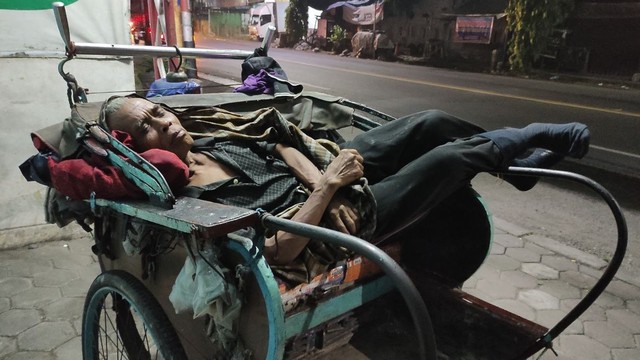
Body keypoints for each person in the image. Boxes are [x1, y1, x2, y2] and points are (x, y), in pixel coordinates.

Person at [93, 96, 589, 272]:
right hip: (331, 227)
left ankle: (516, 171)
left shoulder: (213, 141)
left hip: (325, 178)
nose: (163, 124)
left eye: (158, 112)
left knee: (431, 123)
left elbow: (277, 144)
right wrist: (326, 191)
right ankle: (524, 140)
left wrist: (318, 172)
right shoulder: (188, 197)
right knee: (448, 159)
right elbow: (281, 249)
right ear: (134, 147)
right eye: (146, 129)